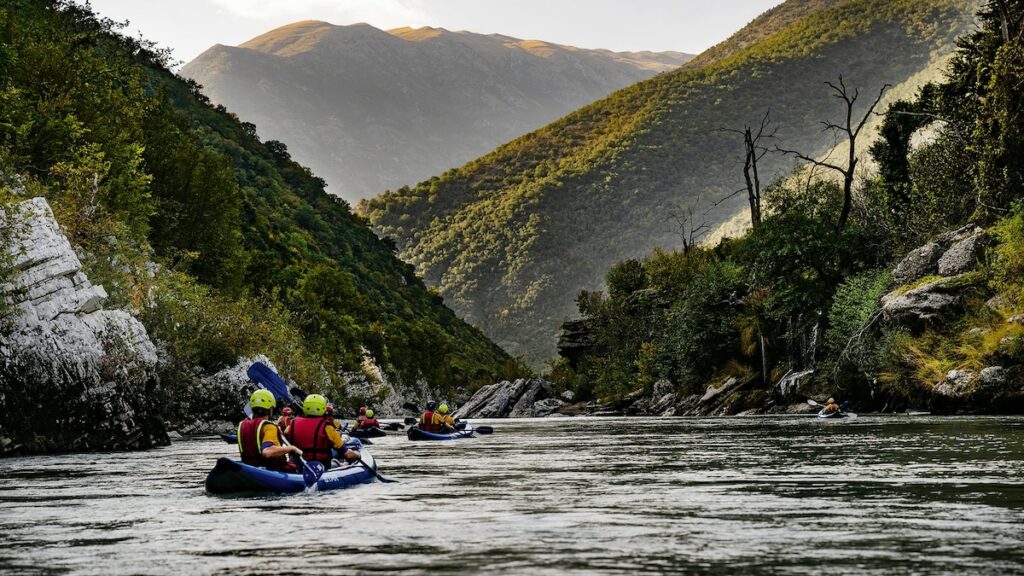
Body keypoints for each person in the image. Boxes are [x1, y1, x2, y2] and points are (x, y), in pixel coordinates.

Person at [285, 394, 359, 468]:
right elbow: (347, 454)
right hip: (320, 467)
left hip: (297, 465)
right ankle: (341, 464)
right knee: (339, 455)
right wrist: (357, 454)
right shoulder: (327, 427)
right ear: (323, 409)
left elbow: (284, 437)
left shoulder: (292, 424)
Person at [237, 390, 300, 472]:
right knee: (295, 466)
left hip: (249, 466)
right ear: (270, 409)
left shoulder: (242, 424)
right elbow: (267, 452)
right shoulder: (269, 427)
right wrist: (292, 448)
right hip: (272, 469)